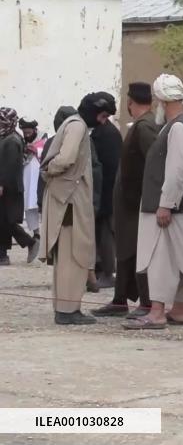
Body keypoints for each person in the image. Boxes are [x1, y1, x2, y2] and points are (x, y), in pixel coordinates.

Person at [123, 74, 183, 330]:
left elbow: (176, 170)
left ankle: (158, 311)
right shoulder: (178, 126)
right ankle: (177, 309)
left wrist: (166, 204)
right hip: (177, 207)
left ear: (162, 100)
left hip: (170, 209)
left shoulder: (178, 128)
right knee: (178, 260)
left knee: (161, 260)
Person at [40, 94, 115, 324]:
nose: (103, 121)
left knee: (70, 256)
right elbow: (65, 158)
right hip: (69, 203)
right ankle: (67, 310)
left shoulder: (76, 125)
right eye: (102, 115)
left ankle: (66, 307)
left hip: (69, 201)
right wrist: (49, 169)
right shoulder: (77, 127)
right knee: (72, 257)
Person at [92, 83, 159, 318]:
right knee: (126, 252)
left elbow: (154, 165)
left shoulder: (145, 126)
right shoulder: (141, 125)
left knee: (138, 252)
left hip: (137, 203)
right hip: (128, 204)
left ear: (131, 102)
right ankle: (120, 300)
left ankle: (147, 303)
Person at [90, 92, 122, 289]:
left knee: (106, 235)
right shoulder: (101, 132)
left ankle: (108, 271)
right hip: (102, 193)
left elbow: (108, 168)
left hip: (107, 193)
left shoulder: (108, 134)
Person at [0, 109, 37, 266]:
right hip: (7, 186)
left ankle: (29, 242)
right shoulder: (7, 138)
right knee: (3, 221)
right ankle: (3, 254)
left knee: (6, 221)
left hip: (9, 188)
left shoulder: (12, 141)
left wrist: (2, 184)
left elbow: (10, 167)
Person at [19, 117, 43, 263]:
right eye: (25, 133)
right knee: (28, 206)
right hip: (26, 178)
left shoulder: (44, 138)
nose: (27, 135)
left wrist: (36, 150)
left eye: (29, 132)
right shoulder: (20, 141)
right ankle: (36, 234)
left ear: (34, 130)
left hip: (40, 177)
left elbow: (47, 153)